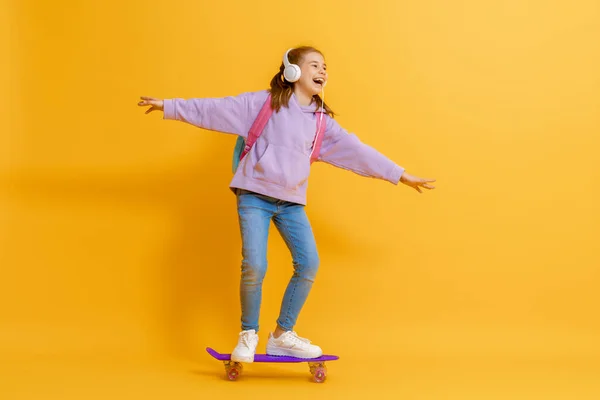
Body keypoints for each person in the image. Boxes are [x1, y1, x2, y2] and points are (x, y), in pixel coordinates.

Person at [138, 46, 435, 363]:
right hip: (254, 195)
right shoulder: (262, 104)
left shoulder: (321, 123)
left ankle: (281, 335)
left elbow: (357, 150)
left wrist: (399, 174)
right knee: (255, 265)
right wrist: (168, 106)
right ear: (292, 72)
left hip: (290, 203)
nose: (322, 71)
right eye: (314, 65)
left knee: (308, 264)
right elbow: (213, 109)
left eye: (325, 67)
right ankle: (248, 334)